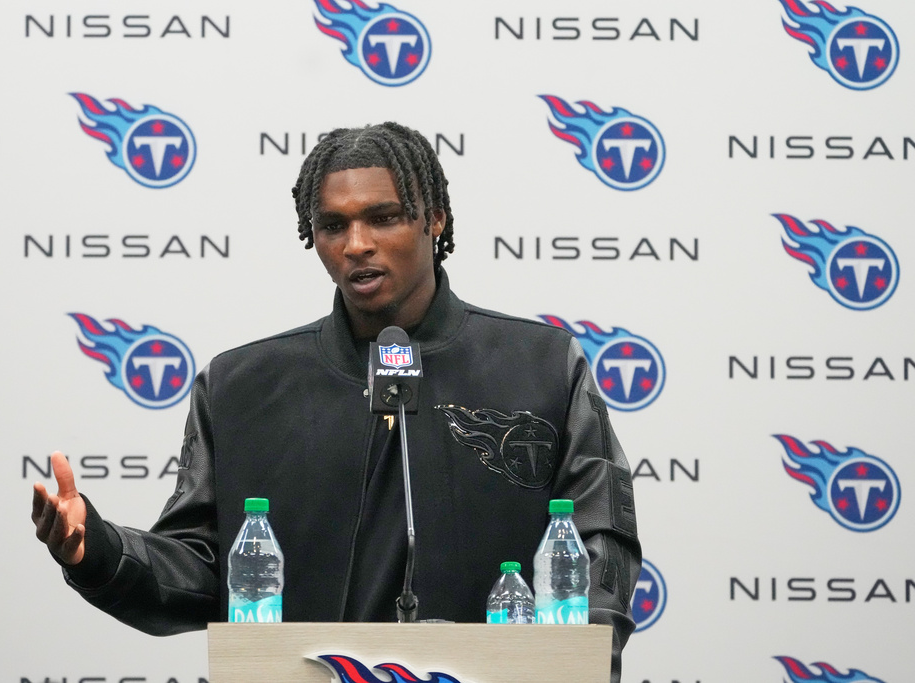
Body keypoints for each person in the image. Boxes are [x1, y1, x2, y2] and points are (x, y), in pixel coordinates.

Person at [32, 122, 641, 682]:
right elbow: (200, 570)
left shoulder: (543, 365)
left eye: (384, 217)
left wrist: (570, 669)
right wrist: (99, 550)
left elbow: (601, 549)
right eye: (334, 225)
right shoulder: (242, 385)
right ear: (312, 236)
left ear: (436, 219)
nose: (357, 244)